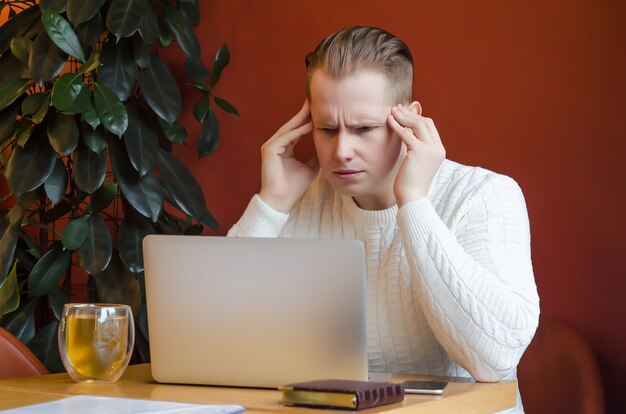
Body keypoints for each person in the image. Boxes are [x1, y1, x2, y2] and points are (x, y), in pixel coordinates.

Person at [228, 26, 539, 413]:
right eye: (327, 129)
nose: (341, 150)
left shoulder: (484, 195)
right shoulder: (298, 201)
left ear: (408, 120)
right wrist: (270, 205)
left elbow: (495, 358)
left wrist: (413, 204)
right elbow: (216, 343)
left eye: (364, 129)